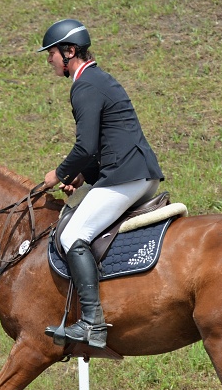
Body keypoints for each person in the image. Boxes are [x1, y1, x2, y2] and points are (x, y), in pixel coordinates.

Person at [38, 18, 164, 348]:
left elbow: (85, 147)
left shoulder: (85, 86)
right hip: (133, 172)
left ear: (69, 51)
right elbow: (107, 142)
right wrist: (83, 175)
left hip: (128, 176)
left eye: (50, 53)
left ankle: (92, 323)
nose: (48, 60)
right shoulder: (95, 80)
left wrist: (60, 173)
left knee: (72, 235)